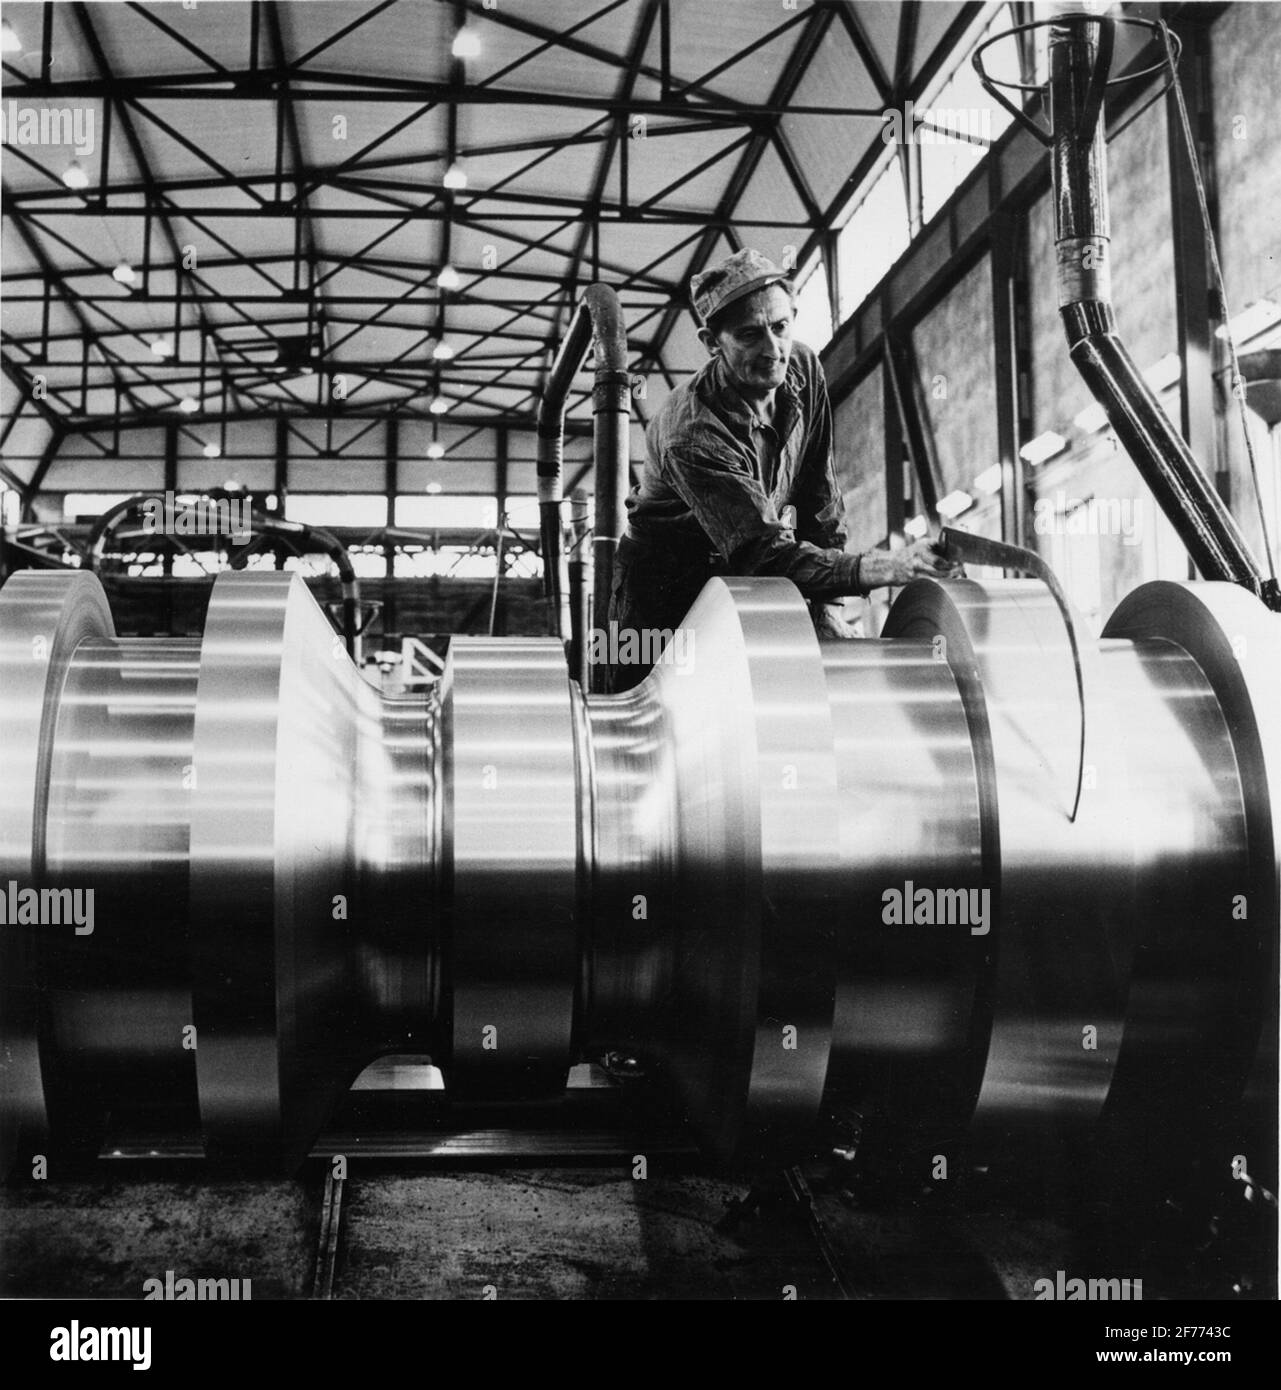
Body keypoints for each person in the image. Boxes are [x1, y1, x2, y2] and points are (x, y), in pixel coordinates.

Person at [603, 247, 959, 693]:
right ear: (712, 343)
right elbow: (764, 553)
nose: (773, 350)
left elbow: (819, 498)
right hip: (658, 602)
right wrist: (885, 566)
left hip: (738, 574)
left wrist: (828, 606)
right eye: (750, 336)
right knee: (641, 725)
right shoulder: (691, 435)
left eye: (780, 327)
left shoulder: (804, 369)